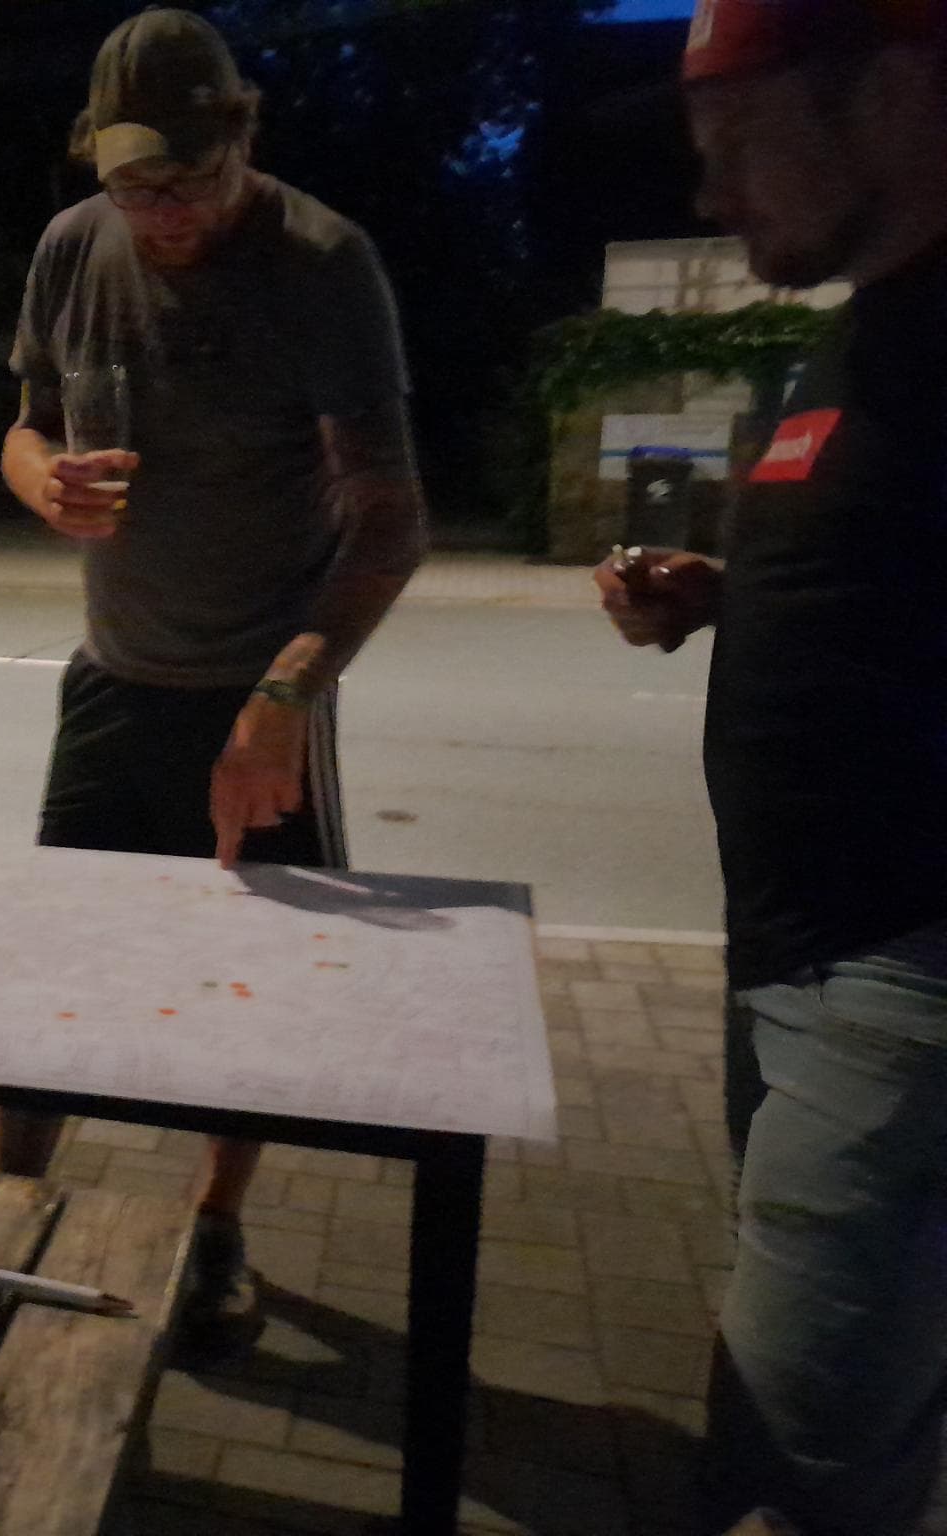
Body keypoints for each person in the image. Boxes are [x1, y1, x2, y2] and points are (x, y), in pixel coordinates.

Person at [0, 7, 429, 1347]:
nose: (160, 211)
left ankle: (218, 1227)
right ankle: (1, 1205)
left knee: (248, 996)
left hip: (260, 691)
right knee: (55, 975)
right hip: (114, 675)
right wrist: (43, 484)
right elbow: (22, 430)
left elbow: (390, 517)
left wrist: (291, 692)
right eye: (132, 183)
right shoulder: (75, 249)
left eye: (186, 180)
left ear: (244, 135)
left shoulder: (322, 264)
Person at [595, 3, 947, 1529]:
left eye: (736, 138)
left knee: (793, 1464)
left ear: (893, 86)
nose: (709, 193)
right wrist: (726, 597)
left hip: (900, 975)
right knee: (853, 1429)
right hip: (795, 958)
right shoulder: (868, 317)